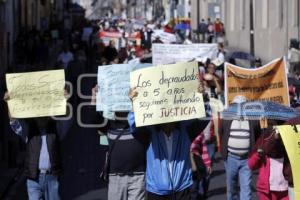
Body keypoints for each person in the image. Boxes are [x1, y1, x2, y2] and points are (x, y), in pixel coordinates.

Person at [128, 87, 209, 200]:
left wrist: (202, 97)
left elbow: (206, 117)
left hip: (182, 190)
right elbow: (134, 126)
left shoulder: (185, 131)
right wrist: (134, 104)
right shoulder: (149, 133)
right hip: (156, 192)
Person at [91, 86, 148, 200]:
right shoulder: (109, 126)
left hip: (138, 177)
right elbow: (94, 118)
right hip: (115, 177)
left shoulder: (139, 125)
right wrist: (94, 97)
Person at [220, 95, 261, 200]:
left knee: (246, 190)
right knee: (231, 189)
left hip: (246, 159)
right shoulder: (227, 117)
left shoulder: (252, 118)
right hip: (230, 158)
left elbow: (258, 134)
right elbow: (221, 133)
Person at [248, 120, 289, 200]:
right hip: (266, 191)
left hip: (286, 190)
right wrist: (259, 153)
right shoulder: (264, 139)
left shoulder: (288, 141)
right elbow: (251, 164)